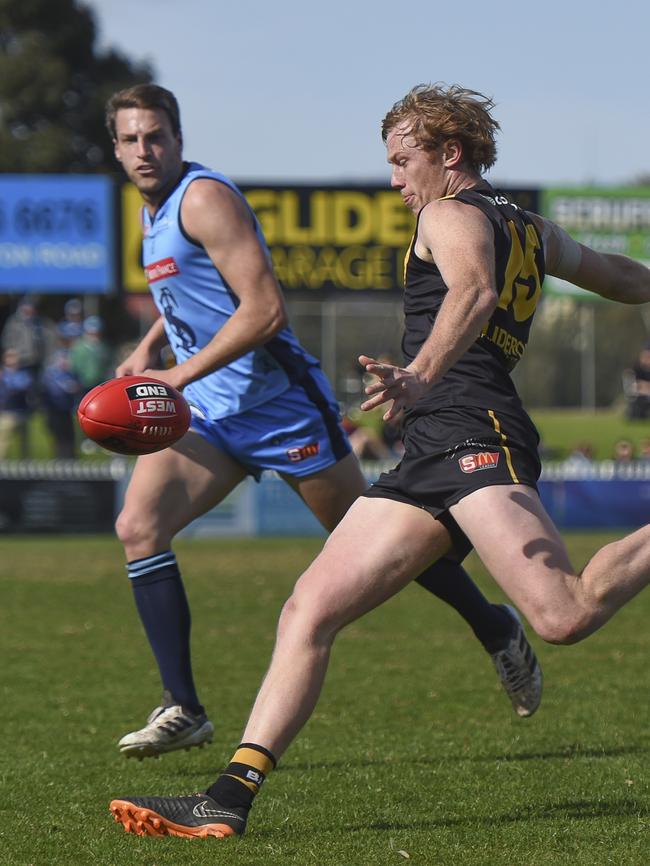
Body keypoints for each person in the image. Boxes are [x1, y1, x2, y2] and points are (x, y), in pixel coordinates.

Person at [108, 82, 650, 841]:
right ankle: (228, 797)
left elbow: (475, 288)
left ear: (449, 155)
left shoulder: (448, 211)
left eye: (404, 160)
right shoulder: (529, 225)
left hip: (472, 428)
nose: (395, 179)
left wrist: (423, 371)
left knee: (562, 615)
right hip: (434, 441)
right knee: (308, 609)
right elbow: (620, 277)